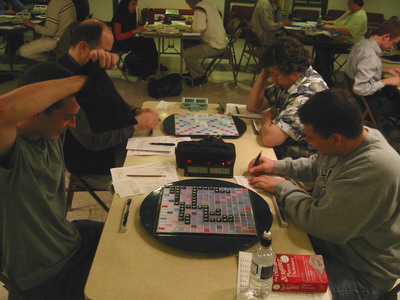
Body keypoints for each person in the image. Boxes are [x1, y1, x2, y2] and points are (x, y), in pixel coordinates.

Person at [247, 88, 400, 300]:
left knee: (259, 288)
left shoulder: (374, 167)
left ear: (336, 138)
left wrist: (282, 186)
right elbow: (317, 164)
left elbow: (320, 223)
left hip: (361, 272)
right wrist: (275, 165)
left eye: (311, 138)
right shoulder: (354, 137)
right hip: (332, 247)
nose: (309, 144)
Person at [0, 61, 108, 299]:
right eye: (67, 117)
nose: (73, 124)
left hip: (68, 238)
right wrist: (82, 80)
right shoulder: (9, 147)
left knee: (135, 237)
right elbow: (3, 110)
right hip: (44, 274)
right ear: (36, 109)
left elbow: (103, 112)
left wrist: (94, 69)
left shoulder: (49, 131)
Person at [58, 19, 160, 189]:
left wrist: (135, 111)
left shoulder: (89, 64)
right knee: (155, 173)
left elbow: (111, 99)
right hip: (94, 159)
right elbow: (92, 140)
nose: (111, 58)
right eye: (106, 51)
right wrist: (135, 125)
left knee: (162, 141)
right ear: (83, 47)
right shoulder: (65, 81)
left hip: (115, 137)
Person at [246, 36, 328, 159]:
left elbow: (270, 139)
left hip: (299, 162)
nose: (273, 79)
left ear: (293, 71)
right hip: (281, 152)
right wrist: (264, 73)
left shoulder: (307, 93)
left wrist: (267, 118)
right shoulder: (290, 80)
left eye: (276, 74)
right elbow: (253, 106)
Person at [345, 19, 400, 141]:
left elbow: (361, 70)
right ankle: (392, 133)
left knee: (394, 91)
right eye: (395, 43)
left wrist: (384, 71)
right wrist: (387, 81)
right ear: (386, 37)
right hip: (368, 101)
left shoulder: (362, 44)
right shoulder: (371, 56)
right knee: (396, 96)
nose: (393, 47)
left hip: (358, 98)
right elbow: (360, 89)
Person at [313, 0, 367, 86]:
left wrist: (331, 27)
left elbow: (347, 30)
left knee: (322, 48)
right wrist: (326, 22)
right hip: (339, 39)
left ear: (355, 4)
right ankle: (323, 73)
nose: (348, 4)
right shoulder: (351, 12)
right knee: (320, 44)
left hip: (350, 43)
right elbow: (338, 21)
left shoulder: (359, 15)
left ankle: (324, 75)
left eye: (349, 3)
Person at [182, 0, 228, 86]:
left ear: (190, 3)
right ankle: (192, 72)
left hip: (215, 46)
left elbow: (198, 28)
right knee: (188, 42)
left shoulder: (199, 8)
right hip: (220, 42)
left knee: (187, 54)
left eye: (188, 4)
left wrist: (192, 25)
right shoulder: (208, 4)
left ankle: (199, 77)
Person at [111, 0, 160, 79]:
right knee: (144, 44)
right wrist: (135, 31)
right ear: (126, 4)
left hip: (129, 39)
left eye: (135, 4)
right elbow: (118, 37)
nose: (134, 7)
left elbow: (135, 27)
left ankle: (155, 64)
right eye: (133, 4)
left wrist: (143, 28)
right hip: (119, 43)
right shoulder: (118, 16)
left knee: (148, 39)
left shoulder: (132, 13)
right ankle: (147, 70)